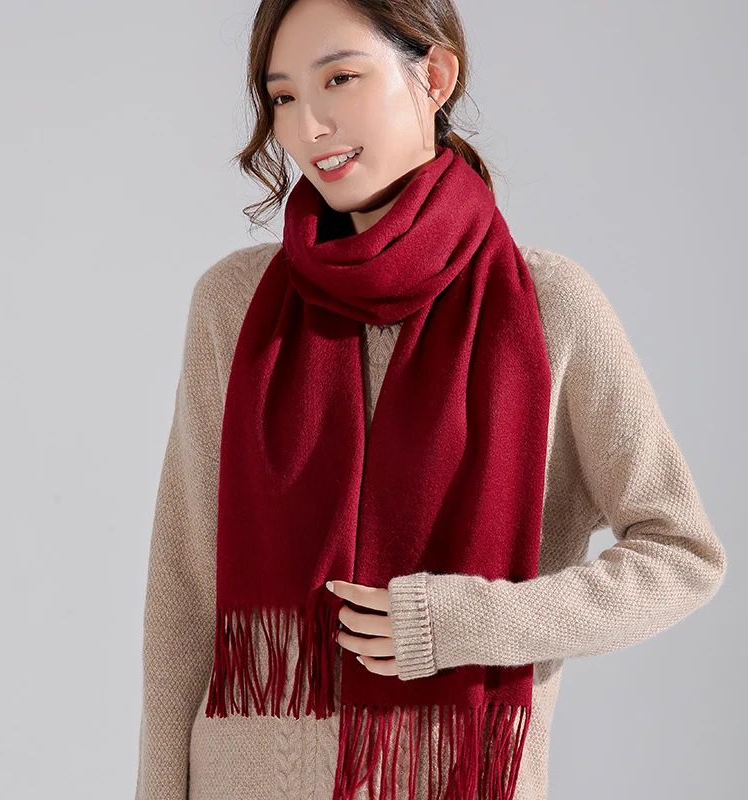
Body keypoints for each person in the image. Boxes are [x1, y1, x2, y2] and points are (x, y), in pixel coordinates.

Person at [134, 1, 728, 799]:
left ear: (436, 75)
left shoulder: (549, 308)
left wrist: (469, 623)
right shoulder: (233, 304)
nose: (308, 125)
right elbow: (183, 588)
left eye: (340, 79)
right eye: (282, 96)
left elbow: (682, 556)